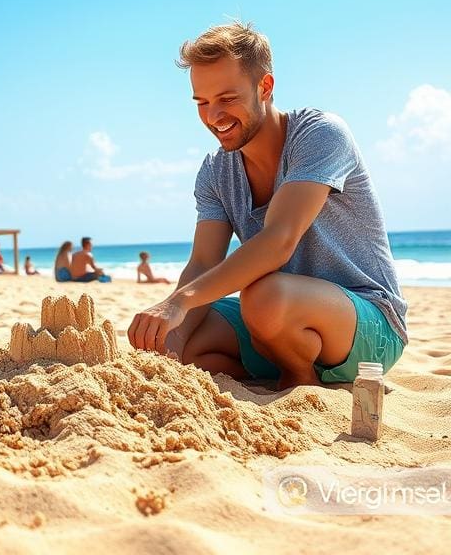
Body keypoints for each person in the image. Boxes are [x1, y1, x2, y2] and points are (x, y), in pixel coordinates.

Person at [127, 22, 407, 389]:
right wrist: (168, 345)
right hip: (279, 324)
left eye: (227, 98)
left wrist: (179, 301)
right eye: (202, 102)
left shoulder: (320, 134)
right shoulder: (215, 171)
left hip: (368, 323)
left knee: (262, 296)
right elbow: (203, 262)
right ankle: (281, 361)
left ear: (265, 87)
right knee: (185, 339)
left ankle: (300, 380)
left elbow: (279, 240)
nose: (213, 116)